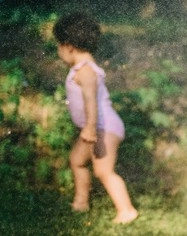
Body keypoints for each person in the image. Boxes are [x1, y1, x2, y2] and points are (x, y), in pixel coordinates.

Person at [53, 12, 138, 225]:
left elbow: (91, 101)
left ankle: (127, 210)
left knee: (103, 170)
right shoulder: (82, 69)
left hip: (103, 127)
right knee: (77, 161)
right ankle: (80, 203)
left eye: (58, 46)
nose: (58, 52)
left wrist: (90, 128)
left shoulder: (86, 72)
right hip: (94, 127)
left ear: (68, 47)